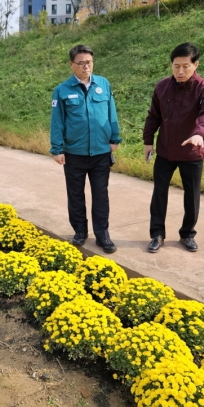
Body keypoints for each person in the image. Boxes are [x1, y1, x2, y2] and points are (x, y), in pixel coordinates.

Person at [143, 42, 204, 253]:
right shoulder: (162, 86)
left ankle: (187, 234)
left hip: (191, 152)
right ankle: (157, 234)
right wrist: (148, 141)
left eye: (185, 66)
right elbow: (154, 115)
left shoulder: (203, 88)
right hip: (165, 150)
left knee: (192, 195)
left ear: (196, 65)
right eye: (176, 66)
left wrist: (200, 134)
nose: (180, 71)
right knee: (159, 194)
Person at [50, 44, 122, 254]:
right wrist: (57, 149)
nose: (85, 67)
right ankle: (80, 231)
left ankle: (103, 235)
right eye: (80, 63)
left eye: (89, 62)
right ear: (71, 64)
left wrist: (115, 138)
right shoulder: (62, 90)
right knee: (76, 195)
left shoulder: (103, 84)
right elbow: (57, 122)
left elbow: (111, 113)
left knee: (101, 195)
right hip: (74, 154)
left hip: (100, 153)